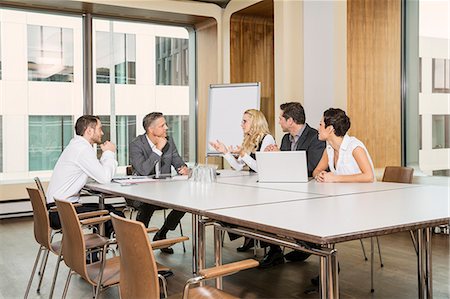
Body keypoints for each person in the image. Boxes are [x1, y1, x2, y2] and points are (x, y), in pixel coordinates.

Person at [260, 102, 326, 268]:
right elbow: (283, 168)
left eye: (281, 118)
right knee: (263, 205)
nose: (279, 121)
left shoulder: (314, 137)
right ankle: (275, 251)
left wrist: (280, 155)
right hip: (289, 189)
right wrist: (272, 158)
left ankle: (307, 245)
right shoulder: (285, 138)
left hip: (312, 193)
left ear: (290, 121)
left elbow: (312, 169)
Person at [210, 109, 276, 252]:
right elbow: (238, 167)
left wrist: (244, 155)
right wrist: (225, 152)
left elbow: (262, 168)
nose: (241, 124)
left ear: (255, 122)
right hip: (253, 186)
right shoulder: (248, 139)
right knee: (228, 203)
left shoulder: (267, 139)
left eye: (245, 121)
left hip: (264, 187)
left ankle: (265, 245)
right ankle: (248, 236)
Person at [46, 115, 123, 238]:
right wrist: (109, 153)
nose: (102, 133)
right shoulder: (82, 149)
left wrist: (105, 155)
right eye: (100, 129)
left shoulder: (77, 146)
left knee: (109, 209)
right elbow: (104, 178)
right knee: (115, 215)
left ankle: (94, 252)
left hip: (58, 208)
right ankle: (98, 251)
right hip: (62, 211)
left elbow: (98, 172)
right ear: (89, 131)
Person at [129, 112, 189, 254]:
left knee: (185, 203)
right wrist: (158, 150)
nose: (166, 128)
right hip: (142, 192)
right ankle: (139, 243)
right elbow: (143, 170)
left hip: (165, 190)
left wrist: (183, 168)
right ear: (151, 129)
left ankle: (162, 233)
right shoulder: (136, 145)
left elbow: (178, 161)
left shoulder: (169, 141)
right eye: (162, 125)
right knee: (148, 203)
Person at [312, 108, 375, 182]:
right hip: (343, 192)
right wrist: (319, 175)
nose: (318, 128)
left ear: (330, 129)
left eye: (320, 125)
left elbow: (369, 176)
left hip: (365, 192)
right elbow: (317, 171)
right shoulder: (329, 149)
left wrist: (335, 178)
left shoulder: (355, 147)